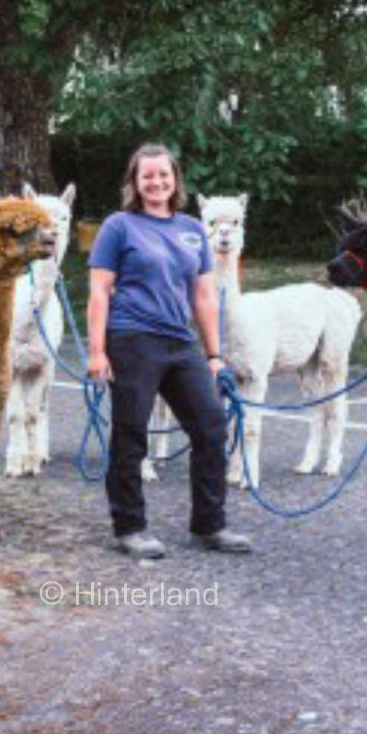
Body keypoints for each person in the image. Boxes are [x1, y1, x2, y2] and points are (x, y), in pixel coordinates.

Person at [87, 143, 252, 559]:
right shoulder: (119, 226)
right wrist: (96, 352)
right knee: (131, 434)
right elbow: (99, 292)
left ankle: (210, 525)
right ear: (135, 182)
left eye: (164, 175)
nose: (156, 182)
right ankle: (130, 527)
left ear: (175, 179)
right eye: (148, 176)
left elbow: (204, 296)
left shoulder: (193, 229)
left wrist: (214, 356)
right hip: (131, 339)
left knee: (212, 428)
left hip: (181, 342)